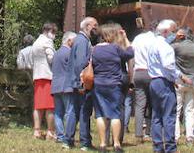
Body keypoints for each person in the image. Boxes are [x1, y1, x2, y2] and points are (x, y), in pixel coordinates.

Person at [92, 23, 135, 153]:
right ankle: (116, 144)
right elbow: (130, 53)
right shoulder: (115, 48)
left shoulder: (94, 49)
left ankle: (102, 145)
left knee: (100, 114)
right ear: (110, 35)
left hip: (98, 84)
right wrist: (126, 38)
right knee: (115, 114)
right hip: (114, 84)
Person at [145, 19, 181, 153]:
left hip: (154, 81)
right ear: (166, 32)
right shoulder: (166, 46)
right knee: (169, 115)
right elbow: (168, 65)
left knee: (157, 115)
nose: (175, 34)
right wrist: (176, 77)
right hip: (164, 82)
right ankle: (170, 147)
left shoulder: (152, 44)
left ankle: (158, 146)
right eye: (174, 31)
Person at [173, 27, 194, 145]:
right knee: (190, 110)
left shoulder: (176, 47)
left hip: (178, 81)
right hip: (193, 82)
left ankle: (176, 136)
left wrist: (174, 36)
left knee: (176, 110)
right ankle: (190, 137)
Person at [73, 17, 99, 150]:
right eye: (95, 25)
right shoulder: (83, 41)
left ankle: (70, 139)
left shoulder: (79, 39)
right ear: (88, 26)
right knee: (84, 112)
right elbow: (81, 63)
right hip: (84, 82)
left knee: (77, 111)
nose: (96, 28)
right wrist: (81, 82)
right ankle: (85, 142)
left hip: (80, 81)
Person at [131, 19, 157, 145]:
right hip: (151, 73)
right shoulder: (155, 40)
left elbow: (131, 53)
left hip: (138, 72)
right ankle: (150, 131)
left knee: (140, 104)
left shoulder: (137, 38)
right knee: (153, 103)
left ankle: (138, 133)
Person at [32, 23, 58, 140]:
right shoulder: (47, 42)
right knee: (50, 106)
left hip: (37, 76)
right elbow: (51, 58)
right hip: (47, 76)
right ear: (49, 31)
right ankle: (50, 132)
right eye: (54, 32)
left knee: (38, 106)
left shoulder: (36, 42)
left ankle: (37, 131)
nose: (54, 35)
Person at [52, 32, 77, 147]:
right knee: (69, 112)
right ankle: (67, 136)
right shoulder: (70, 53)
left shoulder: (56, 53)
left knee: (58, 112)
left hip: (56, 86)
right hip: (66, 86)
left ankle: (60, 136)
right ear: (69, 41)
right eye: (74, 40)